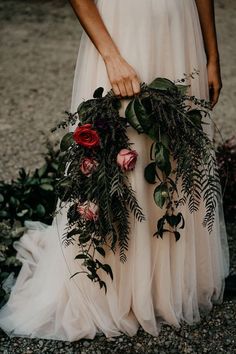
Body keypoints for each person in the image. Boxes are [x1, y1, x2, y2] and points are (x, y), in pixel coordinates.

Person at [0, 0, 230, 342]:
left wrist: (212, 56)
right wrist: (111, 55)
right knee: (126, 149)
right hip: (124, 33)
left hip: (180, 35)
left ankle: (167, 282)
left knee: (173, 152)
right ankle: (120, 286)